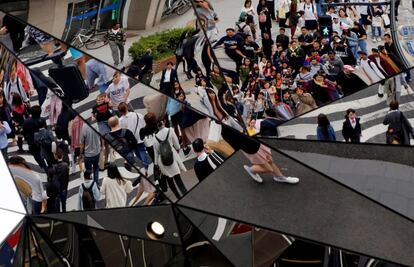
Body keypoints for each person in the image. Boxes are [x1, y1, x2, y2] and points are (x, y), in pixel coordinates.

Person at [154, 119, 187, 199]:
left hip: (163, 161)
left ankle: (178, 197)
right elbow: (177, 146)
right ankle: (185, 194)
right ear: (164, 122)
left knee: (170, 180)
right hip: (173, 158)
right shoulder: (171, 131)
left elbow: (156, 153)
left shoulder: (155, 137)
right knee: (178, 179)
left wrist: (156, 164)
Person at [118, 102, 150, 175]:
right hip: (139, 136)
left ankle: (143, 161)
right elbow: (144, 123)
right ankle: (146, 166)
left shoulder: (120, 120)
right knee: (142, 150)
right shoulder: (137, 114)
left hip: (131, 139)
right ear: (126, 107)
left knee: (136, 151)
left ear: (120, 111)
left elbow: (122, 131)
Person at [23, 105, 48, 171]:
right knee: (45, 153)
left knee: (36, 155)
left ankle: (43, 166)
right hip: (42, 139)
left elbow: (24, 132)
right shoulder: (42, 120)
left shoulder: (26, 121)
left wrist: (27, 139)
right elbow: (45, 129)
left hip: (32, 141)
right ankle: (47, 166)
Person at [50, 148, 69, 212]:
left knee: (57, 203)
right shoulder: (65, 165)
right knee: (64, 203)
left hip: (56, 189)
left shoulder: (54, 167)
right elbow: (67, 178)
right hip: (64, 187)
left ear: (56, 156)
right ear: (62, 156)